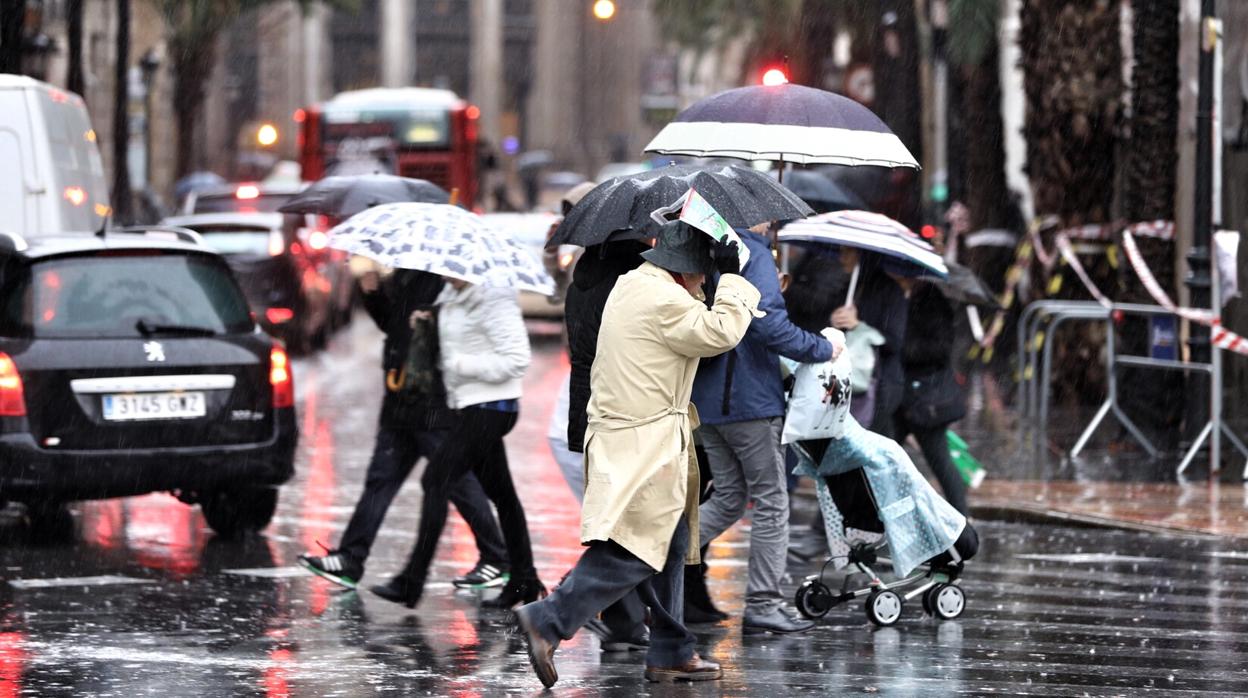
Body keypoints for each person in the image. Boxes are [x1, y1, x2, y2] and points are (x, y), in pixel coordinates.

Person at [515, 222, 760, 687]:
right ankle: (548, 619)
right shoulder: (664, 299)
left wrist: (717, 277)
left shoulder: (636, 283)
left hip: (637, 435)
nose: (704, 283)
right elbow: (720, 333)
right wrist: (732, 280)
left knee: (666, 544)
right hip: (642, 439)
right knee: (636, 548)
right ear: (687, 271)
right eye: (703, 274)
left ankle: (671, 649)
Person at [298, 269, 510, 591]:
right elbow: (394, 325)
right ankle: (350, 558)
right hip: (400, 396)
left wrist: (431, 320)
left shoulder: (449, 274)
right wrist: (372, 293)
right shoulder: (406, 272)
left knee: (457, 482)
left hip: (432, 401)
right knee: (380, 481)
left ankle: (497, 558)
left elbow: (464, 328)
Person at [689, 223, 838, 635]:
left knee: (730, 498)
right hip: (749, 398)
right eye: (771, 220)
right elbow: (768, 325)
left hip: (710, 399)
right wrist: (824, 348)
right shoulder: (752, 252)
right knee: (772, 501)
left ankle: (653, 558)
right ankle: (763, 603)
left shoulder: (710, 248)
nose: (774, 225)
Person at [370, 276, 545, 609]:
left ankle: (412, 581)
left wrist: (461, 366)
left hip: (493, 408)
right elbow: (460, 336)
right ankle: (524, 580)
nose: (445, 272)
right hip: (467, 405)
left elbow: (517, 358)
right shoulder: (453, 293)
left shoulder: (495, 299)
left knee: (436, 479)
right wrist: (429, 321)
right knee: (502, 494)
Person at [893, 281, 969, 515]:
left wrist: (902, 348)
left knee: (939, 460)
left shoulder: (931, 302)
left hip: (925, 400)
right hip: (901, 396)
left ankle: (962, 518)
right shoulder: (897, 296)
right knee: (882, 456)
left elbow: (940, 348)